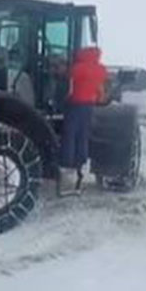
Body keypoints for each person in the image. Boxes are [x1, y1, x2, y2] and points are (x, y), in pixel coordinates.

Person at [59, 46, 107, 193]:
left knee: (70, 133)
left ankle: (67, 161)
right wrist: (99, 98)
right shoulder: (100, 69)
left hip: (75, 104)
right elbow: (101, 89)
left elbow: (69, 86)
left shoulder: (77, 68)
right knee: (83, 134)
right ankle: (81, 160)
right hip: (89, 105)